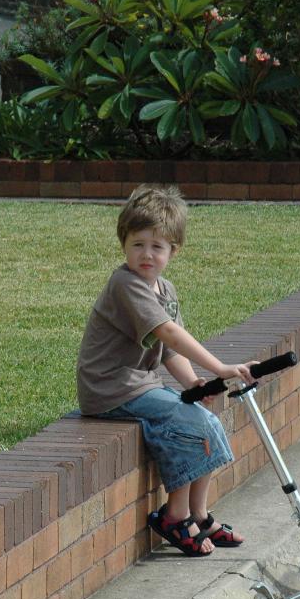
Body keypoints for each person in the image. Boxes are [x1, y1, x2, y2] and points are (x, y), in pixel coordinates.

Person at [77, 185, 254, 557]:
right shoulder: (126, 284)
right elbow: (168, 333)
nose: (146, 254)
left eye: (157, 247)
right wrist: (221, 366)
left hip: (138, 385)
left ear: (174, 251)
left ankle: (198, 513)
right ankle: (174, 516)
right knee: (188, 427)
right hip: (111, 389)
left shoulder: (165, 289)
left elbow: (168, 350)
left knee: (204, 418)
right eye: (138, 244)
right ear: (123, 243)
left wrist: (192, 382)